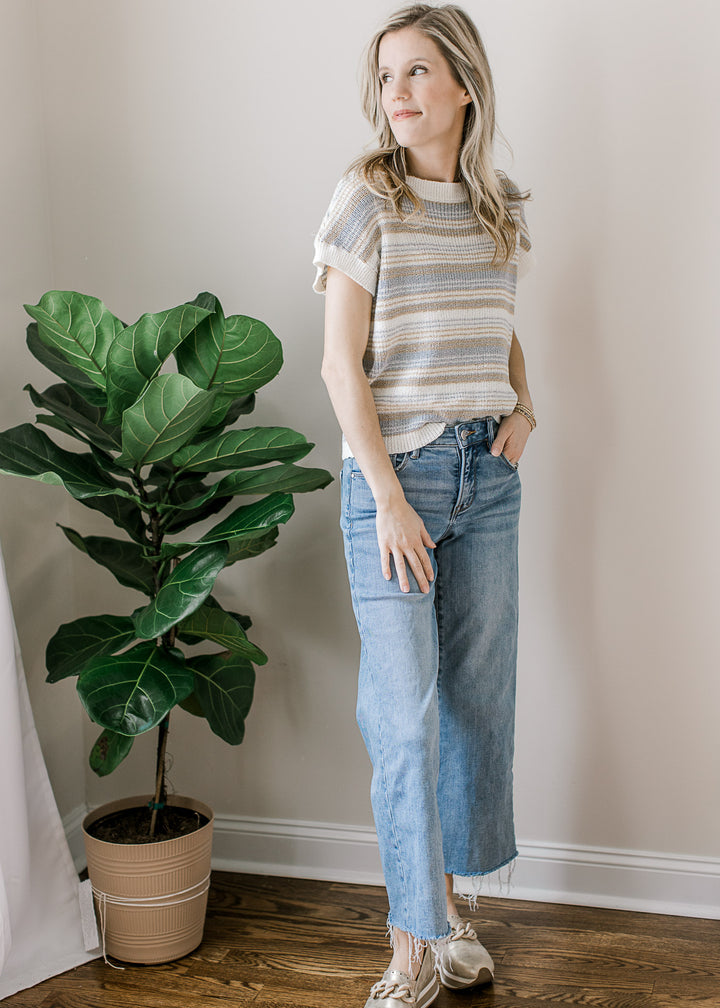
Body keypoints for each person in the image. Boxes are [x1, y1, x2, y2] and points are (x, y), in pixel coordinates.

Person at [313, 5, 535, 1006]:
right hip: (393, 483)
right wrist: (388, 498)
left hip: (486, 484)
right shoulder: (367, 201)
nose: (395, 93)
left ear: (464, 88)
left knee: (476, 708)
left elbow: (499, 322)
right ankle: (410, 947)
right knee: (401, 721)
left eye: (415, 72)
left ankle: (447, 916)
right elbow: (338, 366)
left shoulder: (500, 210)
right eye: (385, 77)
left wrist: (525, 407)